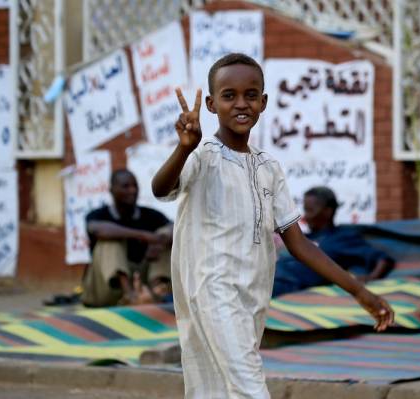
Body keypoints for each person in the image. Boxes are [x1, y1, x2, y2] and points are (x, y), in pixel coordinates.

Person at [152, 53, 394, 398]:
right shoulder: (202, 156)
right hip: (212, 289)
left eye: (250, 95)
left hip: (253, 294)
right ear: (210, 103)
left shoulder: (269, 168)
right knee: (250, 386)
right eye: (228, 95)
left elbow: (300, 244)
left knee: (219, 388)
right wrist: (182, 148)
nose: (241, 104)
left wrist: (359, 291)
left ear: (263, 102)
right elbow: (161, 188)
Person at [273, 186, 395, 297]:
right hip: (269, 275)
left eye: (310, 210)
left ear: (327, 211)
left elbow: (383, 259)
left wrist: (370, 278)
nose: (305, 217)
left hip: (287, 284)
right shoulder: (303, 237)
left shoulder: (342, 238)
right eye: (305, 210)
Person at [81, 169, 173, 307]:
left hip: (141, 284)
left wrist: (160, 240)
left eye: (135, 186)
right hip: (105, 290)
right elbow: (99, 230)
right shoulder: (98, 215)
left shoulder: (150, 215)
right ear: (111, 190)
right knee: (110, 242)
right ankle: (129, 295)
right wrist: (143, 235)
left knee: (164, 236)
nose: (132, 190)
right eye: (126, 186)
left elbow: (175, 228)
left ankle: (158, 291)